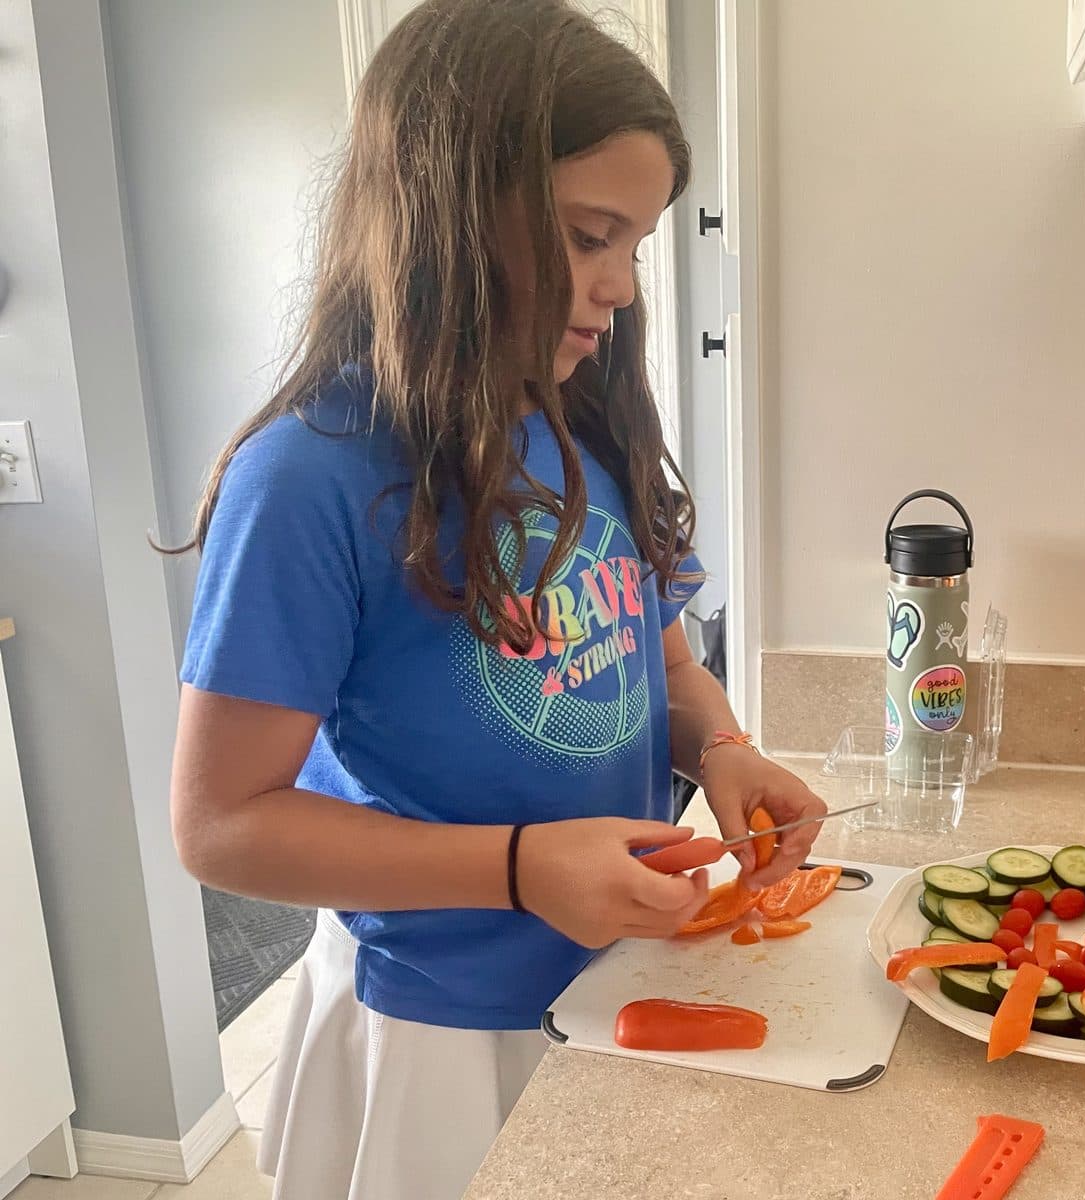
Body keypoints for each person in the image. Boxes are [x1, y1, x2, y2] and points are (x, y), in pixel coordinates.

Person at [167, 3, 827, 1196]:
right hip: (440, 1032)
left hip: (622, 983)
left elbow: (663, 667)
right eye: (589, 237)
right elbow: (221, 827)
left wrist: (723, 745)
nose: (622, 287)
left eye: (636, 245)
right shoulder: (314, 476)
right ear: (445, 207)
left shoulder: (587, 423)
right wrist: (521, 869)